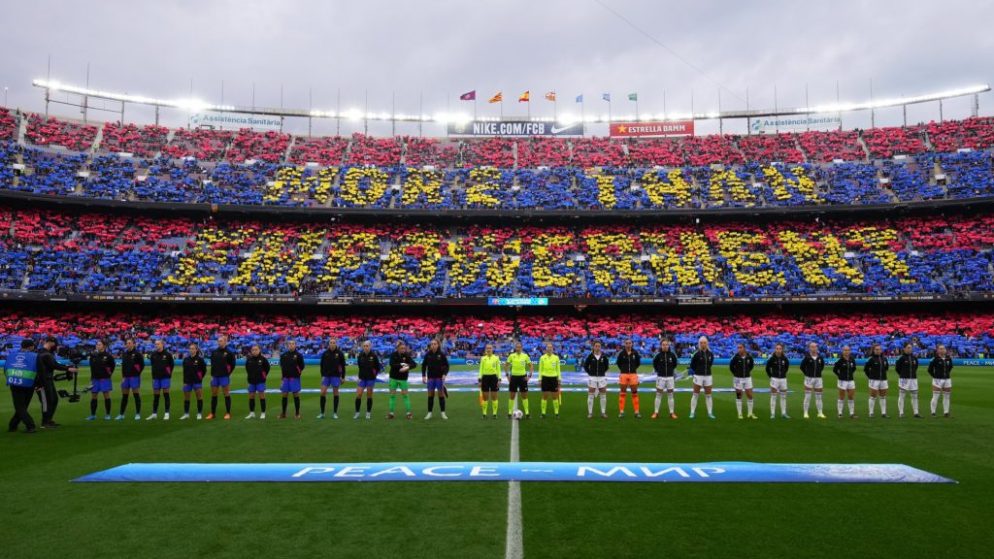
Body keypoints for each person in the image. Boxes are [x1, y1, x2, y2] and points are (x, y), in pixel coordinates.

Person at [35, 336, 77, 428]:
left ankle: (48, 420)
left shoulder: (46, 353)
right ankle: (45, 422)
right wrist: (68, 368)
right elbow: (54, 365)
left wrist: (67, 367)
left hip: (47, 380)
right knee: (47, 401)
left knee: (53, 400)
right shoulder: (45, 354)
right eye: (55, 344)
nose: (56, 346)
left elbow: (54, 364)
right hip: (42, 381)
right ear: (50, 342)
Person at [6, 339, 40, 434]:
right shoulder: (35, 356)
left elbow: (6, 368)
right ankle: (16, 425)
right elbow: (40, 371)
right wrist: (38, 384)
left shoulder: (12, 355)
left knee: (20, 407)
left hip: (15, 382)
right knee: (22, 407)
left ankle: (23, 425)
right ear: (31, 347)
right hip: (29, 383)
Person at [208, 335, 236, 420]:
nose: (219, 342)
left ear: (225, 342)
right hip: (215, 376)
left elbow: (233, 365)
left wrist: (228, 373)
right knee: (214, 394)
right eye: (218, 341)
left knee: (226, 394)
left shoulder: (229, 352)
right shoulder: (214, 352)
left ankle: (228, 413)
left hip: (224, 376)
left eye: (221, 341)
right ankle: (213, 413)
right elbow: (212, 365)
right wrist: (212, 376)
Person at [116, 338, 144, 421]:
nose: (128, 344)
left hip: (134, 377)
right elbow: (123, 366)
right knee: (124, 396)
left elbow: (141, 365)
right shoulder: (124, 354)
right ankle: (121, 414)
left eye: (130, 343)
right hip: (126, 377)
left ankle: (138, 413)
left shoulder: (137, 354)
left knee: (136, 395)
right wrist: (123, 376)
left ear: (133, 344)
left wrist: (137, 373)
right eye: (127, 343)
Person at [86, 339, 115, 421]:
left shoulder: (108, 356)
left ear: (104, 346)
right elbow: (92, 368)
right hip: (95, 379)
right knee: (94, 396)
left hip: (104, 379)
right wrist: (92, 378)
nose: (97, 346)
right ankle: (93, 415)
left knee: (106, 396)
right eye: (97, 345)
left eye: (99, 344)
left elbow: (112, 366)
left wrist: (108, 374)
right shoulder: (93, 356)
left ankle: (108, 414)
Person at [387, 341, 416, 420]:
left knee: (405, 395)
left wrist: (407, 367)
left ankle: (409, 413)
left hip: (403, 379)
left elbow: (414, 364)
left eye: (404, 348)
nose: (403, 349)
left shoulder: (406, 355)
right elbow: (391, 364)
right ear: (397, 348)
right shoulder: (393, 355)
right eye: (401, 348)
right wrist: (401, 365)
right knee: (392, 395)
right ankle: (391, 413)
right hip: (393, 378)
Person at [318, 338, 347, 419]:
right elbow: (322, 365)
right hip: (326, 376)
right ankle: (322, 413)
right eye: (331, 342)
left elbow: (343, 366)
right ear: (329, 344)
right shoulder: (325, 353)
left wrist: (343, 377)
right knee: (322, 392)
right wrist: (322, 375)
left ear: (336, 344)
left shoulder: (340, 353)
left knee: (335, 393)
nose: (332, 344)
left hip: (336, 376)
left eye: (334, 342)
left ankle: (335, 413)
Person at [421, 339, 449, 420]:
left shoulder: (441, 354)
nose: (433, 345)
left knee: (441, 395)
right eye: (432, 344)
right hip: (430, 378)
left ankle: (443, 413)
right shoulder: (428, 354)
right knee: (430, 395)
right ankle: (429, 413)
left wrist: (444, 374)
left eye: (435, 344)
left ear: (438, 345)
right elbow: (423, 366)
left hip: (439, 378)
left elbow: (447, 366)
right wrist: (423, 376)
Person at [147, 339, 175, 420]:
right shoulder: (153, 355)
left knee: (166, 395)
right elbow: (153, 365)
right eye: (156, 344)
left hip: (165, 377)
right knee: (156, 396)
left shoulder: (168, 354)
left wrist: (168, 374)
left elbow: (171, 365)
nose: (157, 345)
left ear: (162, 344)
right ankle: (154, 413)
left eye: (158, 344)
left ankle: (166, 413)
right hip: (156, 378)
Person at [651, 339, 679, 420]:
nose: (665, 346)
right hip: (661, 377)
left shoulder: (672, 355)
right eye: (663, 344)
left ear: (668, 345)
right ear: (661, 345)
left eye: (666, 344)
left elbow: (674, 364)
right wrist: (660, 371)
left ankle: (672, 413)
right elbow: (655, 365)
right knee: (658, 395)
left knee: (670, 395)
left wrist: (670, 371)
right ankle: (656, 412)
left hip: (670, 377)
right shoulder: (658, 355)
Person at [689, 336, 715, 420]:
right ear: (699, 344)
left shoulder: (710, 354)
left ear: (707, 343)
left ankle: (710, 413)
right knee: (695, 394)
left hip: (708, 376)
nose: (703, 344)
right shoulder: (696, 354)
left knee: (708, 395)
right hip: (698, 376)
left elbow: (710, 364)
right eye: (701, 343)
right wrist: (697, 371)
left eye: (704, 342)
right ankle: (692, 412)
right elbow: (692, 365)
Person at [505, 341, 533, 419]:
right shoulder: (511, 356)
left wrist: (529, 376)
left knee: (524, 396)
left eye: (519, 347)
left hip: (522, 378)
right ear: (515, 348)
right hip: (513, 377)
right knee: (512, 396)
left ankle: (527, 413)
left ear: (521, 348)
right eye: (517, 347)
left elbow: (531, 366)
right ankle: (509, 413)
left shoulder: (525, 356)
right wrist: (507, 376)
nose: (518, 348)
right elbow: (506, 366)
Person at [729, 342, 757, 420]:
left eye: (740, 347)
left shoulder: (749, 357)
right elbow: (731, 367)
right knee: (739, 395)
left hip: (747, 378)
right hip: (738, 379)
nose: (739, 349)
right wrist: (736, 374)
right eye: (738, 348)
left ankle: (750, 413)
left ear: (744, 348)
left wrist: (747, 372)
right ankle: (740, 413)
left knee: (750, 395)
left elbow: (751, 366)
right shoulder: (735, 357)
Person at [582, 340, 610, 419]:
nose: (597, 348)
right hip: (592, 377)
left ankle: (603, 412)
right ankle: (590, 413)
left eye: (599, 346)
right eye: (596, 346)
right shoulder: (590, 356)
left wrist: (601, 373)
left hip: (602, 377)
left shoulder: (604, 357)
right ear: (593, 347)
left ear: (601, 347)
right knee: (591, 395)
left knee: (603, 395)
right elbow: (586, 366)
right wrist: (590, 373)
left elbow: (606, 367)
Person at [355, 340, 381, 420]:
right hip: (362, 378)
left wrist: (374, 375)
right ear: (363, 347)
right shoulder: (360, 355)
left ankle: (368, 413)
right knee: (359, 395)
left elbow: (378, 367)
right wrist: (359, 377)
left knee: (369, 395)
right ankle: (357, 412)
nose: (366, 347)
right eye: (364, 346)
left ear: (370, 346)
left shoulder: (374, 356)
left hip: (370, 378)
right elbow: (359, 367)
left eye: (367, 346)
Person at [279, 340, 305, 419]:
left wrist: (297, 373)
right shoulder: (284, 355)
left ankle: (297, 413)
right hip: (286, 378)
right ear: (287, 345)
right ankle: (283, 414)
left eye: (293, 344)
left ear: (295, 345)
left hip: (294, 378)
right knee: (284, 395)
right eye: (289, 344)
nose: (291, 345)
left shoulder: (298, 355)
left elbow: (302, 366)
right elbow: (282, 367)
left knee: (295, 394)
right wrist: (282, 378)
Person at [615, 339, 641, 418]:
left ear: (632, 344)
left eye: (630, 343)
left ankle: (636, 412)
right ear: (624, 344)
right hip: (623, 374)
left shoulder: (635, 353)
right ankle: (621, 411)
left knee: (634, 393)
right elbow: (618, 363)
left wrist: (633, 369)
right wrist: (623, 369)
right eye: (627, 343)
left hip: (633, 374)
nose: (628, 344)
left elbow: (638, 363)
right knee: (622, 393)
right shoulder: (621, 353)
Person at [800, 342, 826, 419]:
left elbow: (822, 366)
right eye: (812, 347)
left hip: (818, 379)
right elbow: (802, 367)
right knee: (807, 396)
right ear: (809, 348)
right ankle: (805, 412)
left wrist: (818, 373)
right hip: (809, 378)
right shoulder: (807, 357)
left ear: (817, 348)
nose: (814, 348)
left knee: (819, 397)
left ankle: (820, 413)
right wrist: (807, 374)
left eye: (815, 347)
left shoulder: (820, 358)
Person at [180, 343, 207, 420]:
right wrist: (184, 381)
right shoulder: (186, 359)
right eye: (190, 348)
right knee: (186, 398)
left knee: (199, 397)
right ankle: (186, 413)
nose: (191, 350)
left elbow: (204, 370)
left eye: (193, 349)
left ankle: (199, 413)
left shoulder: (200, 359)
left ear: (196, 350)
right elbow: (184, 371)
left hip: (197, 382)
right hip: (187, 382)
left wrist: (200, 378)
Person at [895, 343, 921, 419]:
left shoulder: (914, 358)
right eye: (908, 348)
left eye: (910, 348)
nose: (910, 349)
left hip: (913, 379)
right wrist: (903, 374)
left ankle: (916, 413)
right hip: (904, 379)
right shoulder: (901, 358)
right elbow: (897, 368)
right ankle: (901, 412)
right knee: (902, 396)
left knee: (915, 396)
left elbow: (916, 367)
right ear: (904, 349)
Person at [927, 344, 953, 418]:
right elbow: (929, 370)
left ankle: (946, 412)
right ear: (938, 350)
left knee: (947, 396)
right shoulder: (934, 359)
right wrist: (935, 376)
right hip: (937, 380)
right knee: (936, 396)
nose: (942, 350)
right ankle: (933, 412)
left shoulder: (948, 358)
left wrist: (946, 375)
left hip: (947, 379)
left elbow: (950, 367)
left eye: (943, 348)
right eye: (941, 349)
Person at [864, 343, 889, 418]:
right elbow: (866, 369)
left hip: (883, 380)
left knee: (883, 396)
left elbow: (886, 368)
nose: (878, 351)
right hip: (874, 380)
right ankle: (871, 413)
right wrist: (871, 377)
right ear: (873, 350)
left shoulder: (884, 359)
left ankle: (883, 413)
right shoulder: (871, 359)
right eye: (876, 349)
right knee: (873, 396)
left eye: (879, 349)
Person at [244, 345, 270, 419]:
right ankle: (252, 413)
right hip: (251, 381)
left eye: (256, 349)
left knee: (261, 396)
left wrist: (263, 376)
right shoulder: (249, 359)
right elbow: (247, 369)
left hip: (260, 381)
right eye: (253, 350)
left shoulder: (263, 359)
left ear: (259, 350)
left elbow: (267, 368)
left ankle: (263, 413)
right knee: (251, 397)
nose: (254, 351)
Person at [765, 342, 790, 419]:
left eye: (780, 349)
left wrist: (783, 374)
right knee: (773, 396)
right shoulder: (772, 359)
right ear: (775, 349)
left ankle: (783, 413)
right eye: (777, 349)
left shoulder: (785, 358)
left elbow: (786, 367)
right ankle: (772, 413)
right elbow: (767, 368)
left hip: (783, 379)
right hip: (774, 379)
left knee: (783, 397)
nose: (778, 350)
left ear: (782, 350)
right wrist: (771, 376)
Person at [832, 345, 858, 418]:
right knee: (841, 397)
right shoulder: (839, 361)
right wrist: (840, 375)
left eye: (848, 350)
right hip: (842, 381)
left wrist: (850, 374)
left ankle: (852, 413)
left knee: (851, 396)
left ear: (849, 351)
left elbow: (854, 368)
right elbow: (834, 370)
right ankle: (840, 413)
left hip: (851, 380)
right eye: (845, 350)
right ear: (842, 351)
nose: (846, 352)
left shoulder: (852, 359)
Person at [538, 342, 561, 419]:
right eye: (548, 347)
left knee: (555, 397)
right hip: (545, 378)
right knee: (545, 396)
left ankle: (557, 413)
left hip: (554, 378)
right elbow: (540, 369)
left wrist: (559, 379)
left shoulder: (556, 358)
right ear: (546, 349)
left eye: (551, 347)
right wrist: (539, 379)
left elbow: (558, 369)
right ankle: (543, 413)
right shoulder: (542, 357)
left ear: (553, 349)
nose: (549, 349)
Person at [478, 344, 501, 419]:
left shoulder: (496, 358)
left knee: (494, 396)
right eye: (487, 348)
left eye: (490, 348)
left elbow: (498, 369)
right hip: (485, 378)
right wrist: (479, 380)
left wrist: (499, 379)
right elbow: (481, 369)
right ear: (485, 349)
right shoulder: (483, 358)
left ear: (492, 349)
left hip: (494, 378)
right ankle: (484, 414)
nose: (488, 349)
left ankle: (495, 414)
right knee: (485, 397)